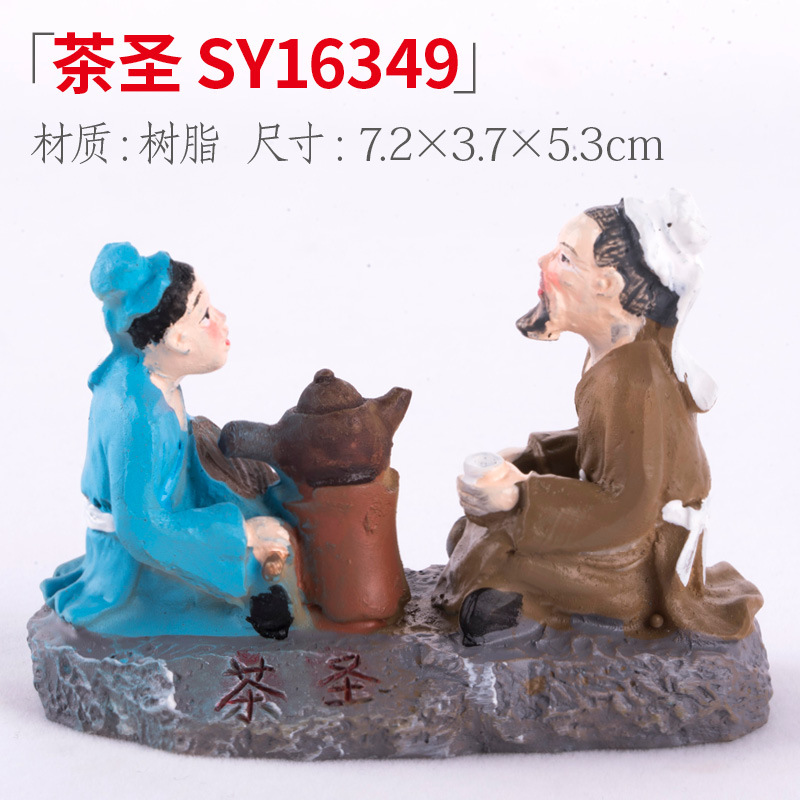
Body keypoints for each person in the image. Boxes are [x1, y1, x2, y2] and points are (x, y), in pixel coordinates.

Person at [433, 190, 763, 643]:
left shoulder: (634, 378)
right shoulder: (614, 356)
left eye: (565, 258)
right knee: (472, 535)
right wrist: (533, 458)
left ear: (606, 284)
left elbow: (629, 508)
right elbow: (604, 447)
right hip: (622, 534)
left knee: (491, 549)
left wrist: (522, 497)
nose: (544, 261)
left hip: (640, 562)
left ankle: (539, 615)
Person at [41, 243, 310, 638]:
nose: (222, 320)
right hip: (135, 565)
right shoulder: (139, 413)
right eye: (205, 315)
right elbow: (142, 528)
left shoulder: (150, 379)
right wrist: (241, 537)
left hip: (170, 521)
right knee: (272, 565)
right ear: (177, 339)